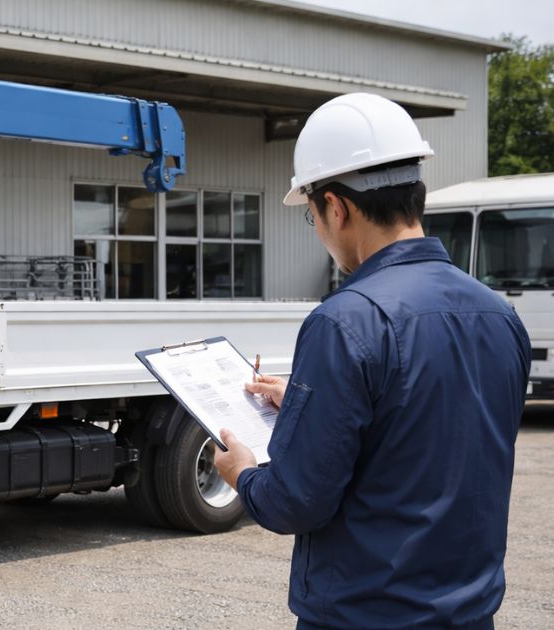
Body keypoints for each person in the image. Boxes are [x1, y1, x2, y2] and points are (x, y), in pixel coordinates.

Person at [214, 93, 531, 629]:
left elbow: (296, 501)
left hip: (365, 614)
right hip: (470, 612)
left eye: (311, 216)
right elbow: (429, 428)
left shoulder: (345, 321)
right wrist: (309, 403)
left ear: (335, 207)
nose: (317, 230)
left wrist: (242, 473)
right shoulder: (499, 316)